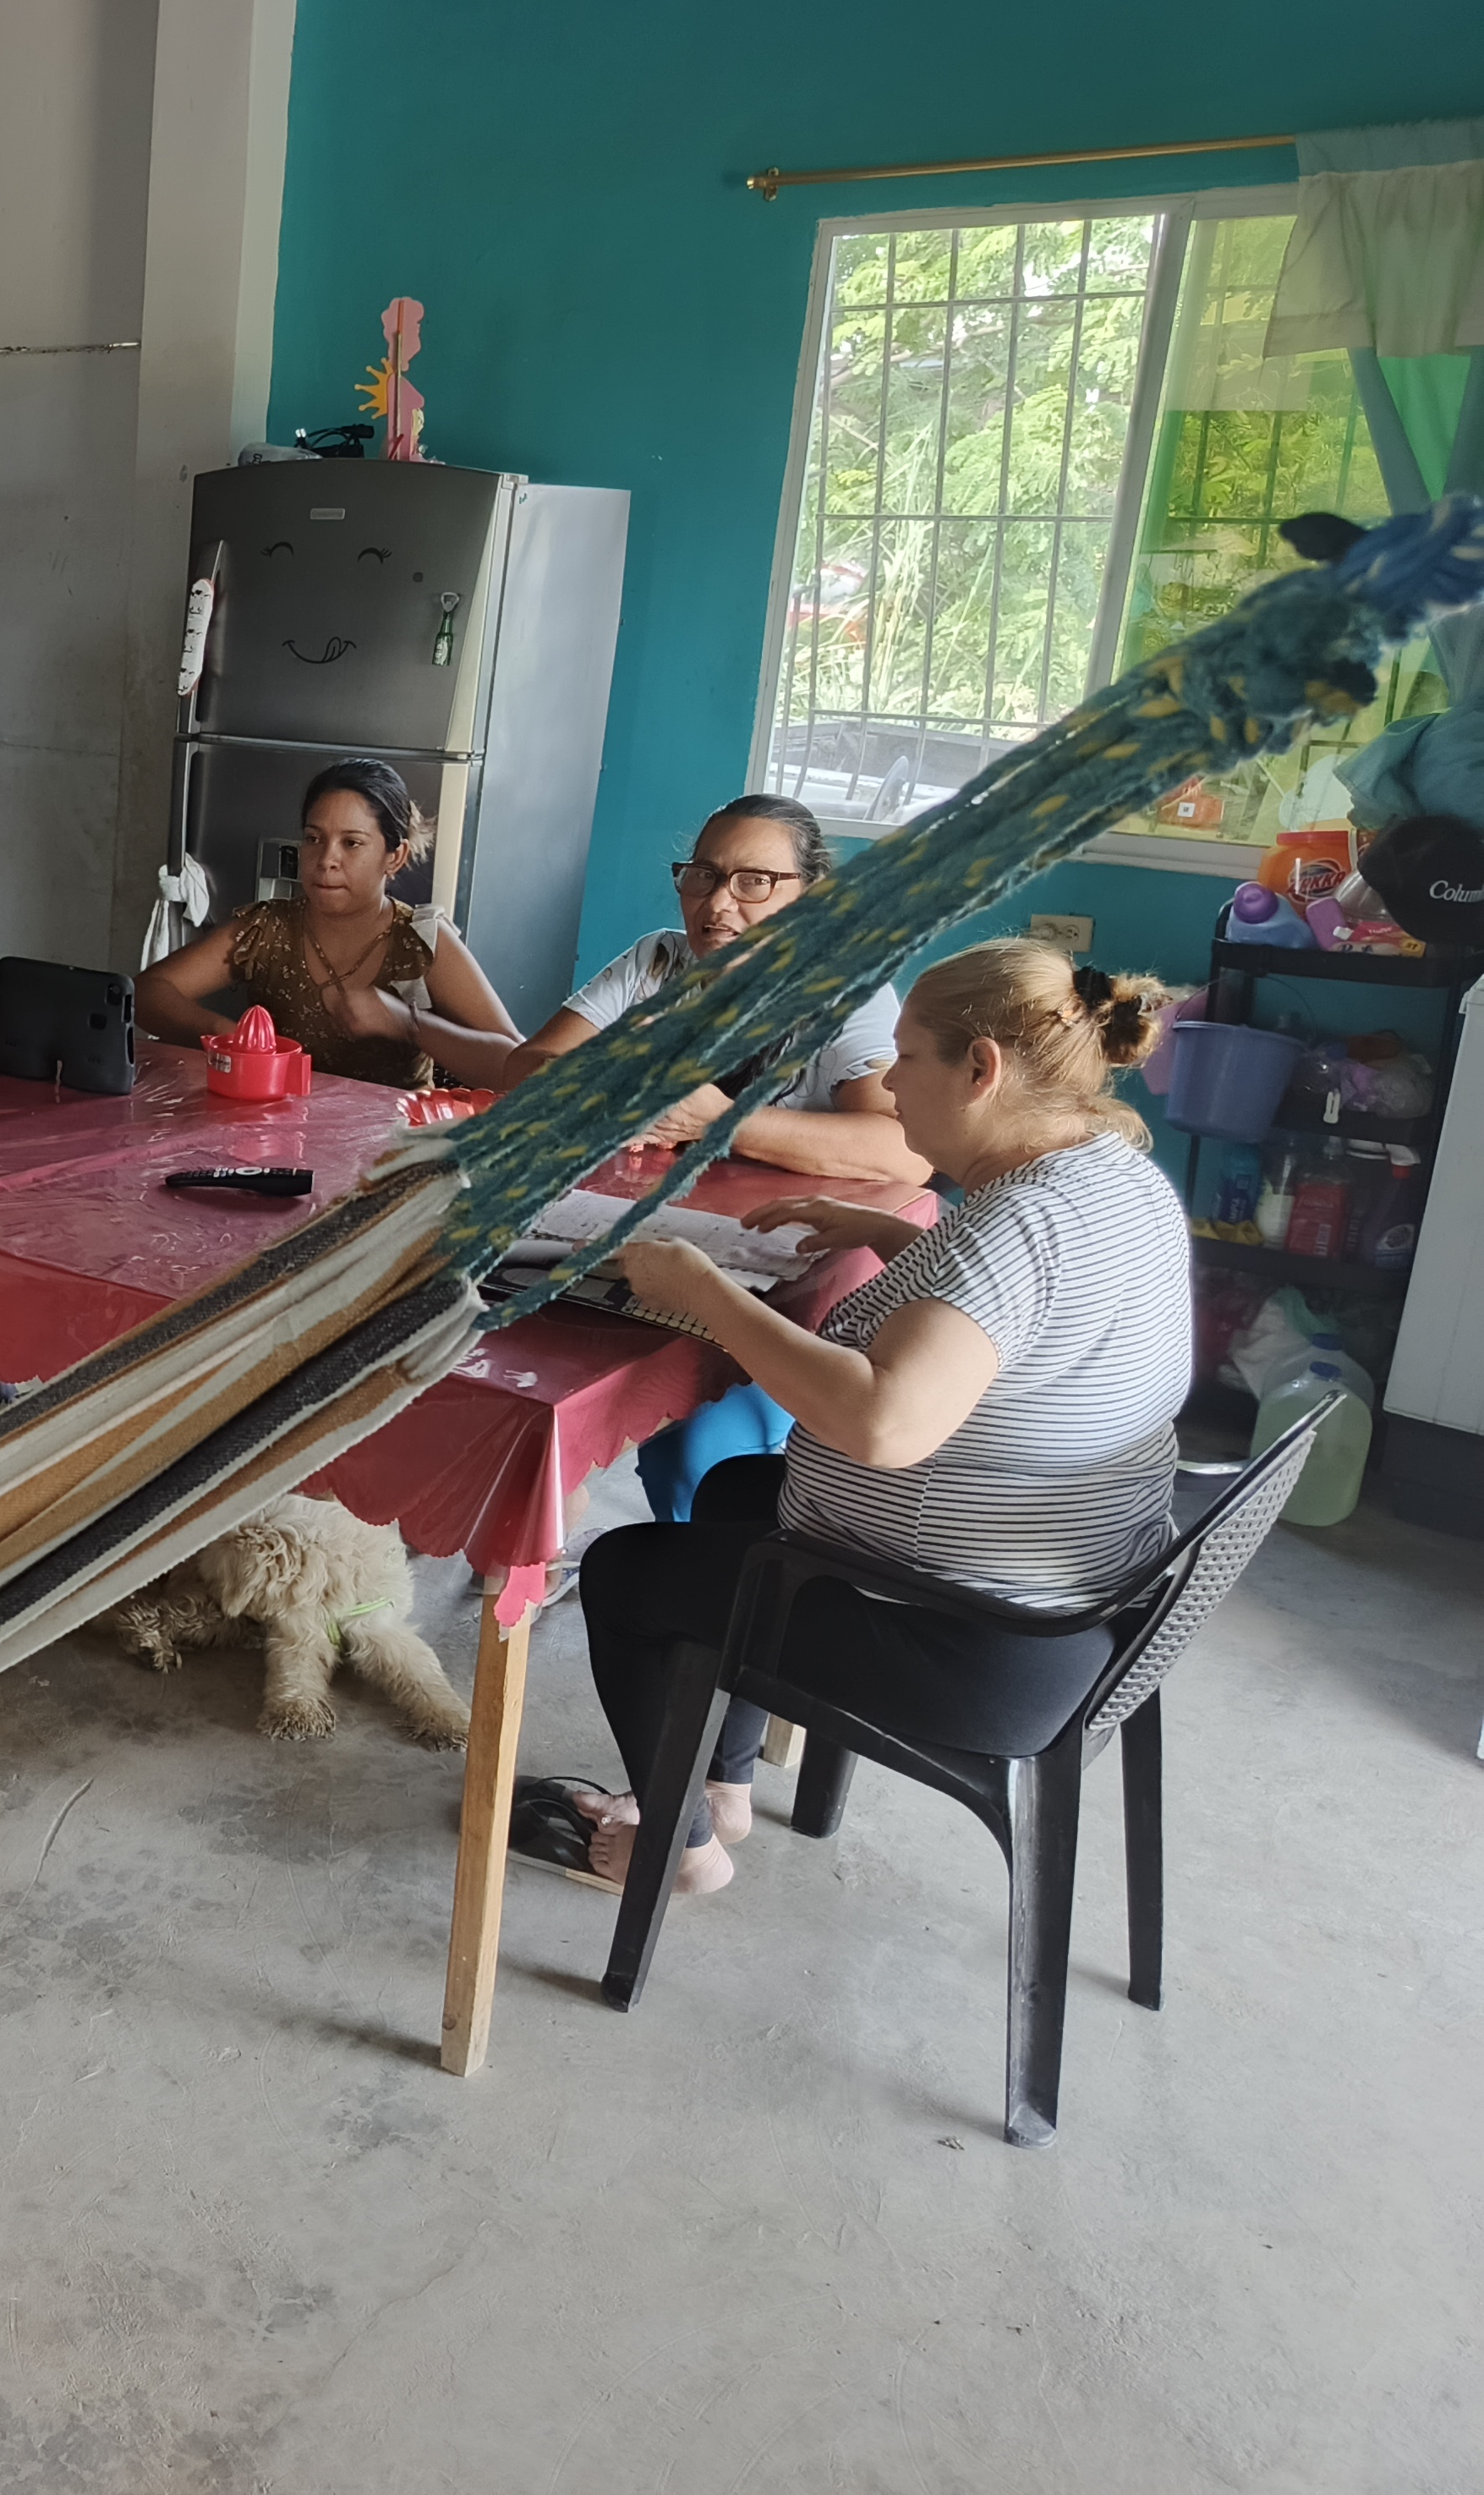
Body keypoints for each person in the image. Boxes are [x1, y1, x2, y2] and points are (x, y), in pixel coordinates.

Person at [543, 940, 1189, 1896]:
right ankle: (721, 1784)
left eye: (908, 1057)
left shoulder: (1018, 1226)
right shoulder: (1107, 1173)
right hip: (1066, 1597)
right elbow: (1017, 1315)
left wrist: (705, 1292)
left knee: (625, 1573)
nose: (887, 1085)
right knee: (735, 1490)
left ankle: (680, 1852)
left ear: (981, 1069)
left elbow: (884, 1426)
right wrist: (892, 1236)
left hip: (971, 1644)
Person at [417, 792, 931, 1519]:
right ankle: (524, 1534)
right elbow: (528, 1068)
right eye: (703, 875)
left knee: (696, 1459)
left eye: (755, 881)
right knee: (509, 1356)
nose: (718, 903)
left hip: (789, 1277)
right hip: (656, 1236)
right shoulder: (659, 962)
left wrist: (721, 1121)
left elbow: (903, 1150)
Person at [133, 758, 517, 1088]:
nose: (326, 859)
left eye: (352, 843)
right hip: (272, 1133)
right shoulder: (268, 929)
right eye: (314, 839)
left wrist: (408, 1023)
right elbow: (147, 992)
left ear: (394, 857)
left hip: (392, 1144)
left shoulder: (421, 941)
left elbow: (516, 1066)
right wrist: (226, 1035)